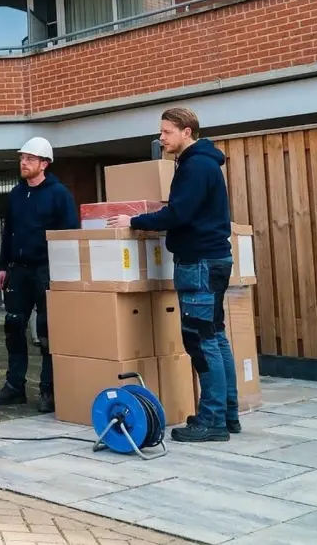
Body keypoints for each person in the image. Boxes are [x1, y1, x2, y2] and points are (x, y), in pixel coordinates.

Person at [106, 107, 237, 443]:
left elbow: (179, 214)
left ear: (186, 132)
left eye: (166, 132)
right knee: (215, 336)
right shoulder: (203, 164)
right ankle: (226, 414)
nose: (161, 138)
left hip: (199, 262)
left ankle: (212, 420)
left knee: (201, 340)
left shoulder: (196, 166)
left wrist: (132, 222)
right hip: (212, 259)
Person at [0, 137, 78, 413]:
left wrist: (63, 273)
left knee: (48, 331)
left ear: (44, 164)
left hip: (47, 269)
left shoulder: (59, 194)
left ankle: (49, 390)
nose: (23, 163)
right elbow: (9, 232)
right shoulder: (16, 194)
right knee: (14, 328)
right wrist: (4, 266)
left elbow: (69, 235)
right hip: (18, 271)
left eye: (29, 158)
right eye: (22, 158)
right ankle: (14, 387)